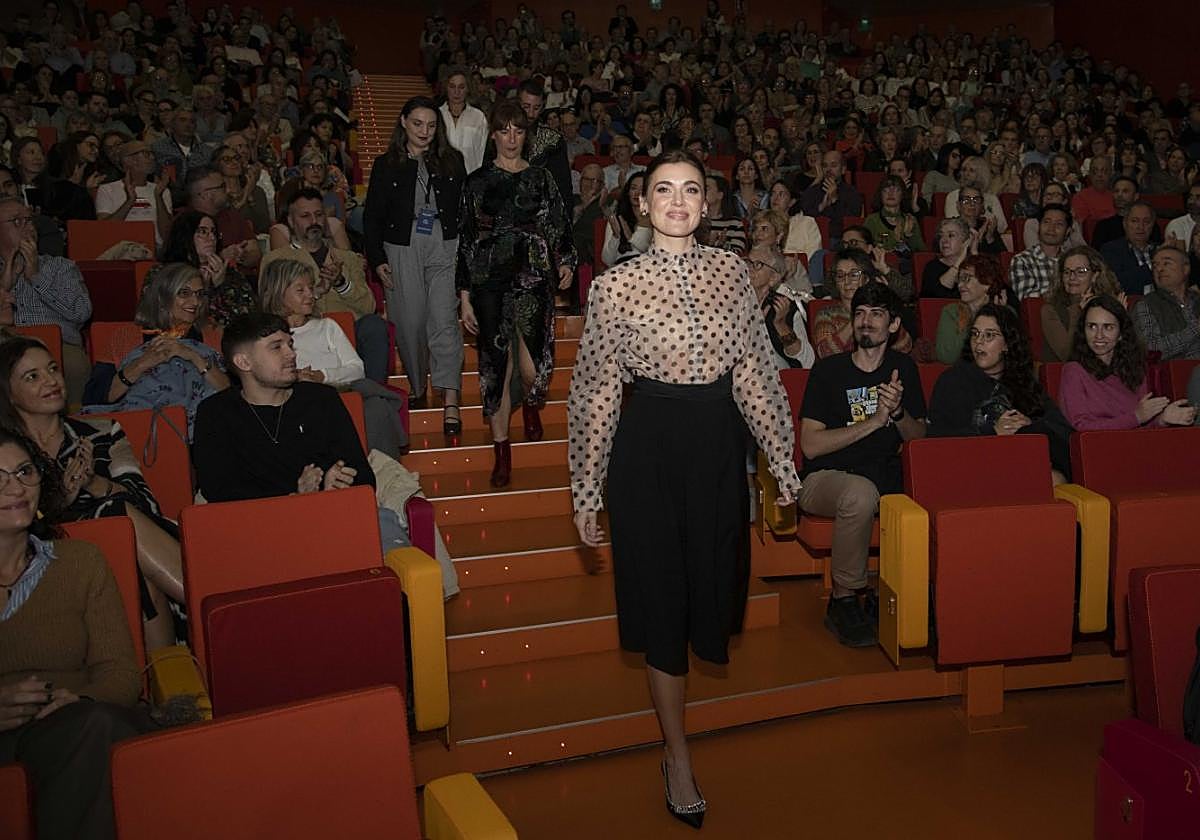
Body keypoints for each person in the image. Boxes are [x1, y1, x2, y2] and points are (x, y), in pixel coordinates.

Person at [569, 149, 801, 828]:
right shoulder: (613, 287)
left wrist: (782, 463)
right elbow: (596, 392)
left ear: (707, 203)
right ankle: (677, 755)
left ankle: (675, 738)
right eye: (662, 190)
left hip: (717, 445)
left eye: (690, 190)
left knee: (714, 589)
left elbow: (756, 373)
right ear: (642, 204)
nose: (676, 201)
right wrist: (587, 490)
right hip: (648, 451)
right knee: (662, 606)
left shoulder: (734, 273)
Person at [0, 427, 149, 840]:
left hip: (76, 724)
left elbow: (121, 676)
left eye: (24, 471)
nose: (16, 487)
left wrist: (80, 698)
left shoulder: (79, 561)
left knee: (98, 726)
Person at [0, 337, 185, 648]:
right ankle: (202, 598)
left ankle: (168, 674)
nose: (51, 381)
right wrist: (63, 501)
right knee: (116, 518)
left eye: (53, 369)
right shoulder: (8, 452)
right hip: (47, 547)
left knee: (118, 517)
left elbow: (145, 500)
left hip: (127, 537)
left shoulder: (101, 431)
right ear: (9, 394)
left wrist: (92, 484)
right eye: (32, 377)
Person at [799, 281, 926, 646]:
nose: (865, 321)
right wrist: (873, 421)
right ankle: (843, 599)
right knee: (859, 493)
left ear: (894, 324)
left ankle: (917, 597)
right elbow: (810, 445)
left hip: (884, 476)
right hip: (825, 480)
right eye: (859, 314)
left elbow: (919, 440)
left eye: (876, 314)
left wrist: (898, 412)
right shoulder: (829, 371)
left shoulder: (904, 369)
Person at [458, 101, 575, 488]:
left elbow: (560, 223)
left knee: (532, 369)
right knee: (496, 369)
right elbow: (467, 239)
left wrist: (566, 261)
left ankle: (529, 405)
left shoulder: (541, 178)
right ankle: (502, 452)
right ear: (493, 134)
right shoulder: (476, 181)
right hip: (489, 281)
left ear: (526, 135)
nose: (511, 138)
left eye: (518, 131)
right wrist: (463, 295)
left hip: (533, 279)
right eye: (504, 130)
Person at [364, 96, 465, 426]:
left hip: (445, 244)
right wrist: (377, 259)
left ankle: (450, 396)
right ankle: (419, 384)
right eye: (418, 123)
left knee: (444, 322)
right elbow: (373, 217)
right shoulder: (386, 163)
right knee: (409, 323)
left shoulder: (452, 160)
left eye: (432, 125)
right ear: (404, 122)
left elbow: (464, 212)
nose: (425, 131)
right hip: (401, 246)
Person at [258, 259, 405, 458]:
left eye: (310, 288)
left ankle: (387, 474)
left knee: (374, 407)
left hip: (340, 393)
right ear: (278, 294)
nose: (311, 295)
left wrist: (321, 376)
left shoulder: (327, 326)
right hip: (299, 403)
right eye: (300, 290)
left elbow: (356, 369)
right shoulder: (269, 338)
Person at [928, 304, 1072, 482]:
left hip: (1020, 466)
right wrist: (993, 431)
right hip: (971, 471)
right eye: (975, 334)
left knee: (1055, 479)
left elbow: (1063, 431)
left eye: (989, 335)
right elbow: (936, 440)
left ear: (1006, 344)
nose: (979, 341)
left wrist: (1029, 425)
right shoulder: (953, 381)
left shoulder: (1024, 383)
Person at [86, 263, 228, 434]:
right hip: (139, 425)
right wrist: (142, 363)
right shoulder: (125, 337)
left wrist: (193, 356)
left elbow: (232, 396)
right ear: (162, 298)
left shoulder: (212, 335)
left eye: (199, 294)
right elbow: (94, 397)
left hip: (203, 428)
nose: (195, 302)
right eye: (184, 293)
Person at [260, 190, 387, 382]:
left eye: (319, 215)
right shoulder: (276, 259)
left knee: (374, 325)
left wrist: (342, 283)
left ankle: (372, 391)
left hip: (349, 332)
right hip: (302, 337)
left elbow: (369, 307)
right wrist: (316, 292)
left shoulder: (347, 258)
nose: (314, 221)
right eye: (305, 216)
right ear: (291, 221)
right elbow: (268, 307)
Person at [0, 197, 92, 404]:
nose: (27, 227)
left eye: (29, 220)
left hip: (58, 346)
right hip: (4, 345)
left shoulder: (60, 267)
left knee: (75, 365)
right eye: (16, 221)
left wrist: (36, 277)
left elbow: (81, 312)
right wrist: (6, 278)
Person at [1060, 295, 1196, 430]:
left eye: (1108, 327)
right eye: (1092, 327)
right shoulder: (1074, 371)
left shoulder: (1134, 369)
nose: (1099, 335)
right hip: (1095, 448)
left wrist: (1163, 420)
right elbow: (1080, 427)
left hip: (1134, 446)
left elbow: (1141, 426)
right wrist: (1136, 417)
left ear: (1120, 334)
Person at [159, 209, 257, 328]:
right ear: (185, 235)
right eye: (203, 231)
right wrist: (205, 289)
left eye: (214, 232)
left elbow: (247, 317)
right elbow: (166, 316)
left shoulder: (229, 273)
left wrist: (220, 286)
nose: (211, 238)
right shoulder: (164, 273)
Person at [745, 208, 815, 368]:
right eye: (747, 263)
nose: (748, 269)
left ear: (774, 277)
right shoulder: (731, 302)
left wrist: (781, 325)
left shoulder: (785, 309)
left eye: (757, 265)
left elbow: (807, 362)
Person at [812, 249, 913, 359]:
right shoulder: (827, 314)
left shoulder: (880, 312)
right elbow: (825, 353)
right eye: (840, 275)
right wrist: (858, 317)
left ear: (866, 279)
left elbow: (905, 346)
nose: (847, 281)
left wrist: (884, 302)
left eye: (854, 274)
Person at [1041, 246, 1125, 362]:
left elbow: (1125, 352)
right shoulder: (1050, 310)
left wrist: (1121, 319)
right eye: (1067, 272)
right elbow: (1068, 356)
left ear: (1095, 276)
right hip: (1067, 375)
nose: (1072, 277)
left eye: (1081, 271)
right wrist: (1078, 311)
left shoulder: (1109, 306)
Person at [934, 255, 1013, 364]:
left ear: (987, 283)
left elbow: (1013, 355)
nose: (960, 285)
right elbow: (947, 356)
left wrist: (1001, 317)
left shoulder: (1006, 311)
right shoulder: (951, 312)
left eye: (966, 278)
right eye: (959, 279)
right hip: (964, 375)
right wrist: (975, 317)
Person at [94, 139, 172, 247]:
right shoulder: (107, 189)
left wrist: (158, 196)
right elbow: (104, 230)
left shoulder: (162, 190)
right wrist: (130, 201)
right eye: (146, 154)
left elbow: (167, 235)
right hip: (120, 249)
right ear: (129, 160)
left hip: (156, 249)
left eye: (152, 154)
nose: (152, 158)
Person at [1132, 245, 1200, 360]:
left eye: (1166, 263)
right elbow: (1151, 349)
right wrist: (1196, 329)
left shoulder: (1197, 299)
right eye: (1155, 265)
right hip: (1177, 373)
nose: (1159, 269)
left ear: (1185, 268)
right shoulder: (1146, 305)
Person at [1009, 203, 1072, 301]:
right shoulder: (1022, 260)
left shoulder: (1073, 261)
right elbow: (1028, 298)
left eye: (1059, 224)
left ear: (1068, 231)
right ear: (1039, 226)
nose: (1051, 228)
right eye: (1047, 222)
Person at [800, 149, 862, 243]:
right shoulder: (811, 192)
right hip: (811, 239)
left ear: (843, 169)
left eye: (833, 165)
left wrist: (835, 200)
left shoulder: (852, 193)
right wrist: (820, 207)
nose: (828, 170)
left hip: (840, 240)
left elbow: (850, 223)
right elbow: (804, 218)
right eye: (825, 166)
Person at [1100, 202, 1158, 296]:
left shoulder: (1159, 250)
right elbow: (1118, 284)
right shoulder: (1111, 250)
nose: (1140, 227)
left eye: (1146, 222)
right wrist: (1152, 265)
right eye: (1135, 221)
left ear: (1153, 225)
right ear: (1125, 224)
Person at [600, 172, 651, 267]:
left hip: (647, 268)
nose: (637, 193)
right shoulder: (618, 218)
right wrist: (616, 237)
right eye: (633, 188)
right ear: (628, 192)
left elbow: (651, 251)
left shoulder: (656, 218)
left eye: (642, 189)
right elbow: (607, 260)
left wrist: (632, 238)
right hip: (621, 269)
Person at [921, 217, 974, 299]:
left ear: (965, 241)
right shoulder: (932, 267)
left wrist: (974, 253)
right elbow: (938, 295)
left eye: (951, 235)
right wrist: (959, 261)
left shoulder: (973, 267)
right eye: (941, 236)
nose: (944, 240)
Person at [702, 173, 747, 255]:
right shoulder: (694, 220)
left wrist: (722, 246)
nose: (701, 192)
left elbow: (738, 255)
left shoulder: (735, 223)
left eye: (706, 188)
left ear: (720, 195)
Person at [1070, 153, 1115, 226]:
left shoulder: (1117, 196)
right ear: (1090, 174)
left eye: (1104, 171)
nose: (1099, 175)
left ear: (1111, 173)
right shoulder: (1080, 197)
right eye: (1095, 171)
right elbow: (1085, 225)